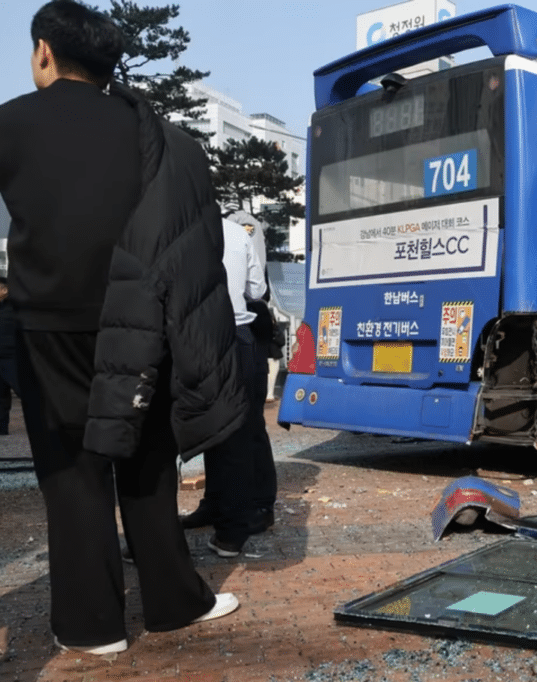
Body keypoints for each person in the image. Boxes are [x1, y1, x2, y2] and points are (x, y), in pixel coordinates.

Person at [0, 0, 246, 655]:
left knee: (71, 473)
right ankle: (172, 602)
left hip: (49, 327)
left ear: (45, 51)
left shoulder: (11, 123)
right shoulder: (158, 135)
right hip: (142, 321)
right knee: (147, 463)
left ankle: (91, 627)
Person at [179, 218, 275, 557]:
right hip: (238, 338)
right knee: (240, 429)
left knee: (213, 429)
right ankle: (230, 520)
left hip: (194, 340)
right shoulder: (237, 231)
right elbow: (257, 290)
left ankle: (234, 514)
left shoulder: (172, 228)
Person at [0, 276, 18, 435]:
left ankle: (46, 427)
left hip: (13, 358)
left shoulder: (14, 308)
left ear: (4, 290)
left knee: (26, 393)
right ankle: (1, 428)